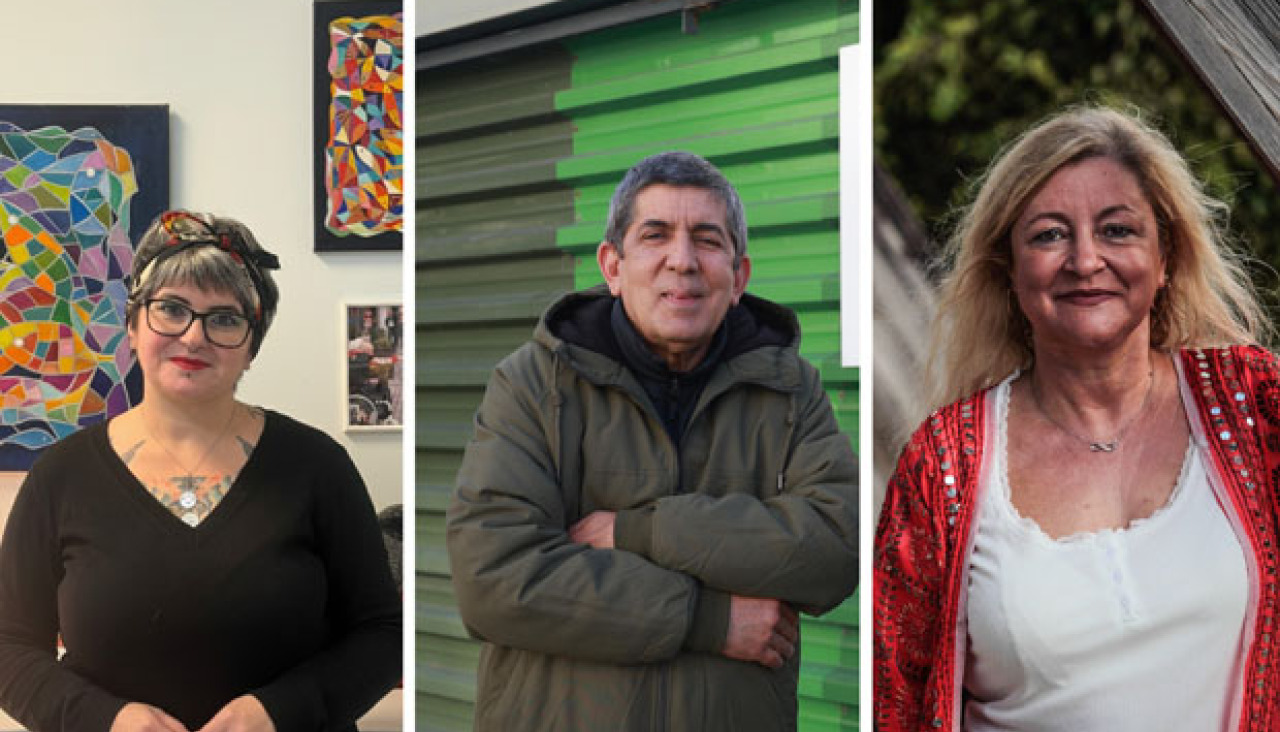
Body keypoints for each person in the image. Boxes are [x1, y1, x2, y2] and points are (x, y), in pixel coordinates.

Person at [873, 105, 1280, 731]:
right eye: (1049, 235)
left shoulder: (1256, 407)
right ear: (1010, 270)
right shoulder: (944, 464)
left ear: (1166, 255)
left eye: (1117, 230)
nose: (1085, 260)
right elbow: (891, 702)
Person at [446, 151, 859, 731]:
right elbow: (494, 576)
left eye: (708, 240)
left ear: (738, 276)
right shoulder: (534, 384)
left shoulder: (790, 391)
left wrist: (638, 531)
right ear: (613, 266)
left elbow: (835, 549)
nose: (683, 261)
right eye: (655, 235)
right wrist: (710, 621)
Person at [0, 211, 401, 731]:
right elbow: (10, 647)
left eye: (225, 319)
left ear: (252, 346)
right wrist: (108, 721)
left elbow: (383, 632)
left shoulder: (317, 466)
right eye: (171, 309)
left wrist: (279, 713)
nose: (194, 337)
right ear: (132, 323)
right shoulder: (61, 475)